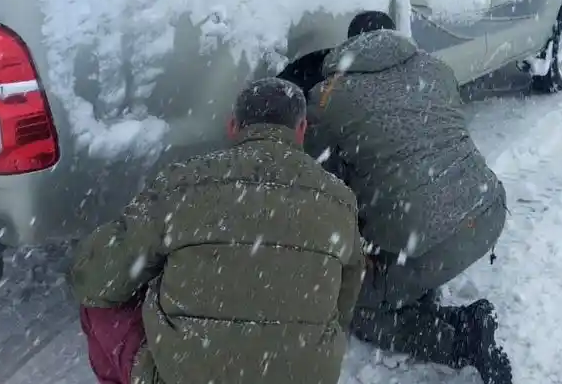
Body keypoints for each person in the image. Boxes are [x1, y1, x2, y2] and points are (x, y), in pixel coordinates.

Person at [69, 77, 364, 384]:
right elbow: (345, 298)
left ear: (233, 125)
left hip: (184, 376)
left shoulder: (183, 183)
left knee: (100, 307)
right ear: (301, 130)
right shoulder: (339, 200)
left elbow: (95, 279)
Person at [305, 25, 512, 384]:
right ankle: (414, 279)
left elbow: (324, 190)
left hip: (425, 239)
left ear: (349, 46)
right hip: (485, 214)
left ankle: (462, 337)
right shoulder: (436, 69)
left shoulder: (328, 99)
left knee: (354, 305)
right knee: (407, 223)